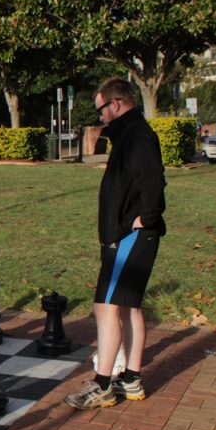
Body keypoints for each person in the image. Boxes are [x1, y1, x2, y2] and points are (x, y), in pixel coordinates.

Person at [65, 78, 166, 410]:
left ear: (117, 104)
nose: (101, 118)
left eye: (101, 111)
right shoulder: (130, 135)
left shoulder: (136, 137)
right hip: (127, 235)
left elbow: (152, 181)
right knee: (127, 306)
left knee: (105, 307)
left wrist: (147, 219)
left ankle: (103, 383)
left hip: (131, 236)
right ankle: (131, 379)